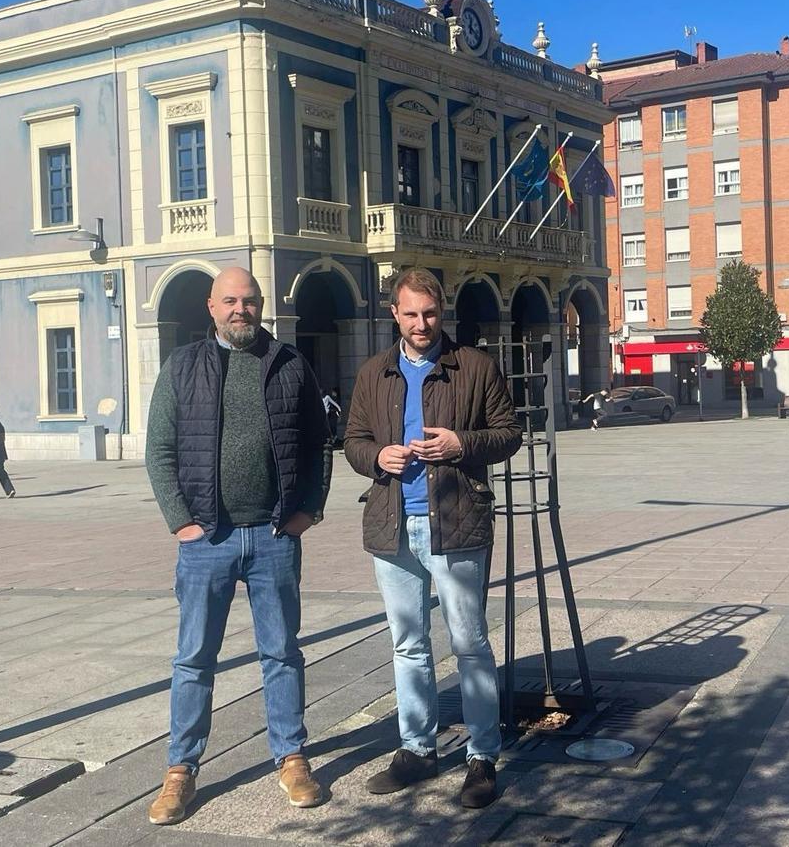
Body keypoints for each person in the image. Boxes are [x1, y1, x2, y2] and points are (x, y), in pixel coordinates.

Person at [144, 267, 329, 825]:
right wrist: (181, 523)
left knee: (281, 653)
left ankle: (291, 757)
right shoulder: (183, 367)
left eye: (249, 301)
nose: (240, 310)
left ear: (262, 305)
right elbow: (160, 451)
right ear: (211, 306)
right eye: (230, 301)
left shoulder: (291, 364)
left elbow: (321, 444)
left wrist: (307, 512)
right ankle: (181, 770)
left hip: (273, 535)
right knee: (194, 658)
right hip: (208, 539)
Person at [344, 268, 521, 809]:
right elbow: (352, 440)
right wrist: (377, 456)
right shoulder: (374, 373)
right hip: (393, 526)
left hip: (457, 524)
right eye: (410, 314)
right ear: (394, 314)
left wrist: (460, 444)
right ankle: (417, 750)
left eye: (430, 313)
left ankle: (482, 757)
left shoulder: (474, 367)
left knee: (470, 645)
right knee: (408, 644)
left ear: (440, 313)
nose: (421, 324)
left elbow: (510, 433)